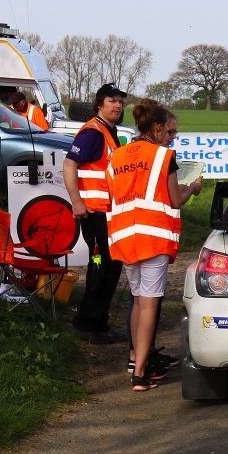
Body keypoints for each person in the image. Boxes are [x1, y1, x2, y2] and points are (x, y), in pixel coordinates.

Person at [106, 100, 203, 391]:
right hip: (153, 236)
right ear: (157, 128)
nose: (172, 137)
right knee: (149, 305)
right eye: (170, 132)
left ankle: (137, 361)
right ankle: (141, 373)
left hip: (124, 236)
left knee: (138, 301)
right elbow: (174, 200)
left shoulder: (118, 156)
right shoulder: (164, 155)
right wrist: (192, 190)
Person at [64, 83, 128, 344]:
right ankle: (89, 324)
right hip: (96, 215)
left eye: (120, 102)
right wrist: (76, 202)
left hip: (107, 216)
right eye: (112, 101)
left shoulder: (108, 131)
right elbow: (69, 164)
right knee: (102, 268)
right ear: (99, 105)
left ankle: (95, 322)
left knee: (104, 268)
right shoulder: (93, 132)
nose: (117, 106)